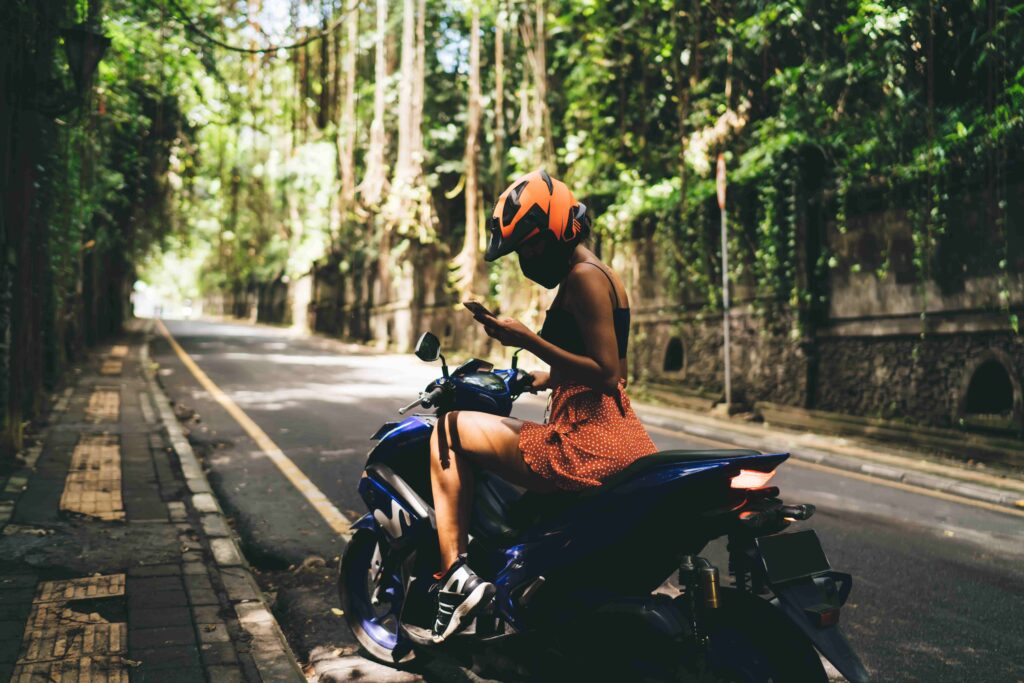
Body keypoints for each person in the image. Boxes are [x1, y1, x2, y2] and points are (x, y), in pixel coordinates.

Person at [428, 169, 659, 643]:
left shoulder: (582, 279)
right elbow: (591, 366)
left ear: (559, 230)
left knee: (448, 430)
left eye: (531, 246)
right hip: (620, 435)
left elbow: (606, 371)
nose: (527, 259)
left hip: (586, 442)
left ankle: (454, 580)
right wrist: (532, 377)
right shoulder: (603, 274)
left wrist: (527, 339)